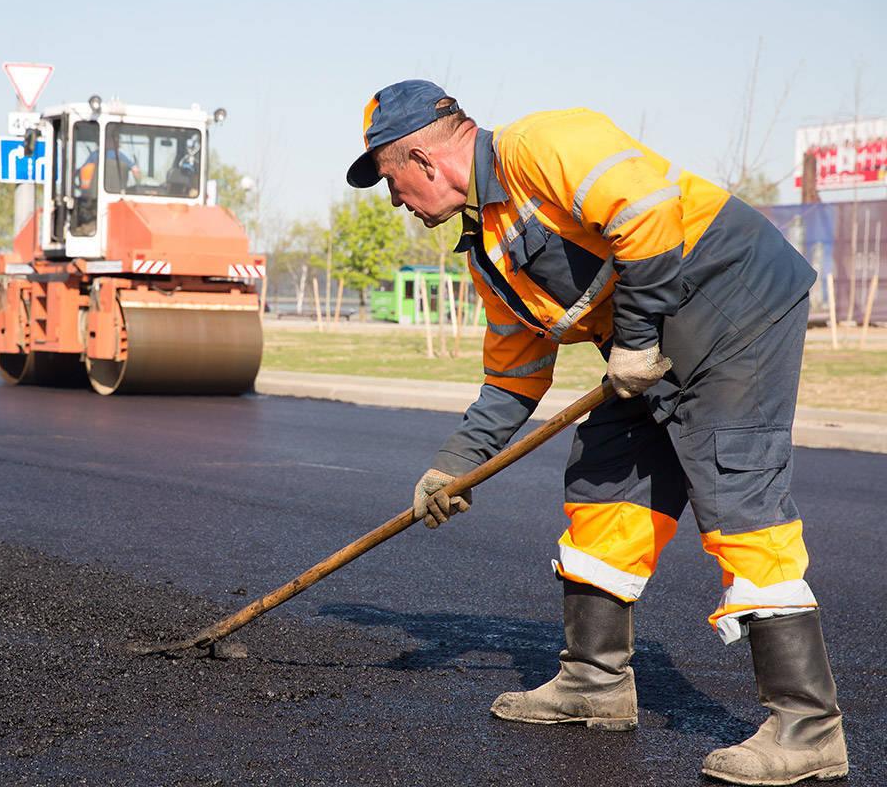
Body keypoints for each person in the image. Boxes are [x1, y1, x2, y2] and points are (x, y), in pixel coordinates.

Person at [346, 80, 846, 785]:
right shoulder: (489, 248)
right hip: (644, 346)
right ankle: (593, 681)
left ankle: (808, 728)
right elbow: (514, 377)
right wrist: (453, 465)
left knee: (737, 494)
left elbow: (646, 215)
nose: (394, 199)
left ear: (423, 159)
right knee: (604, 483)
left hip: (734, 302)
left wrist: (636, 339)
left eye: (390, 180)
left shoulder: (541, 144)